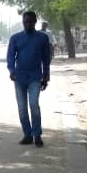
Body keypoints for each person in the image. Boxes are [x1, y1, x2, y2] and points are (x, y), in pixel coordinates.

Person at [7, 10, 52, 147]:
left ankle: (37, 135)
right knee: (22, 108)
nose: (28, 24)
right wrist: (12, 70)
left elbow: (46, 59)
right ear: (23, 22)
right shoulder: (15, 38)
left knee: (33, 105)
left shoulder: (42, 38)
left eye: (31, 21)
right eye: (25, 21)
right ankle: (27, 134)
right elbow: (10, 57)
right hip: (20, 78)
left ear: (35, 22)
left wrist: (46, 76)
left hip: (35, 77)